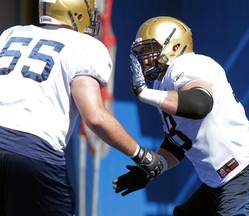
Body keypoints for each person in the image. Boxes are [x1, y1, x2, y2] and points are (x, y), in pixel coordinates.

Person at [0, 1, 166, 216]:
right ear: (76, 11)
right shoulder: (84, 46)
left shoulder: (11, 34)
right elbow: (95, 116)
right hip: (35, 155)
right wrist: (140, 154)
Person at [112, 16, 249, 215]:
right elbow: (179, 140)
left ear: (175, 48)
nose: (145, 58)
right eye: (142, 52)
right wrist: (156, 166)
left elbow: (201, 103)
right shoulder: (162, 84)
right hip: (219, 185)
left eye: (150, 49)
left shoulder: (187, 65)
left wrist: (145, 93)